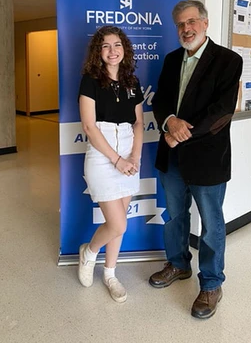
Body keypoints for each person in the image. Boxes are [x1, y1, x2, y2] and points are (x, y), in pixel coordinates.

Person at [149, 0, 243, 319]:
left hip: (207, 157)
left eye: (191, 22)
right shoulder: (172, 59)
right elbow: (160, 101)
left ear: (204, 23)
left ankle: (212, 283)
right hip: (172, 156)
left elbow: (221, 112)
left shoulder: (229, 60)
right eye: (179, 24)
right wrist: (169, 122)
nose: (185, 29)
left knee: (211, 224)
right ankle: (178, 264)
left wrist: (178, 133)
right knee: (175, 216)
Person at [78, 25, 144, 303]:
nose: (112, 50)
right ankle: (89, 252)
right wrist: (116, 160)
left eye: (117, 45)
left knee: (119, 221)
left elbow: (139, 122)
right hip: (102, 154)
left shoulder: (132, 81)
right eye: (105, 46)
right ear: (98, 51)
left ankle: (110, 274)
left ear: (124, 48)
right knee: (117, 225)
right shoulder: (90, 80)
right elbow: (90, 127)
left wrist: (134, 158)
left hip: (129, 152)